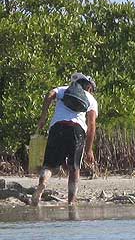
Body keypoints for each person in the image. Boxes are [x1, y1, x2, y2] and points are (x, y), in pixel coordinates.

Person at [32, 73, 98, 206]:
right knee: (74, 168)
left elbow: (50, 94)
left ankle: (42, 183)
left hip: (57, 127)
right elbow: (91, 126)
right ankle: (71, 201)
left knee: (49, 165)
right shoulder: (91, 99)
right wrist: (89, 149)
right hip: (77, 130)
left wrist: (43, 116)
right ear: (89, 87)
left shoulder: (64, 90)